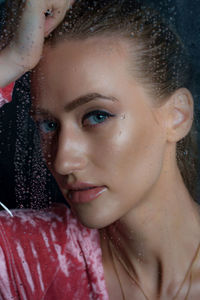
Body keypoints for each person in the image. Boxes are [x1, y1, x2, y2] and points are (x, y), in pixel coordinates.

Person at [0, 0, 200, 299]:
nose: (63, 160)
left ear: (177, 116)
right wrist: (11, 60)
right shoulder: (28, 260)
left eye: (97, 116)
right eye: (48, 125)